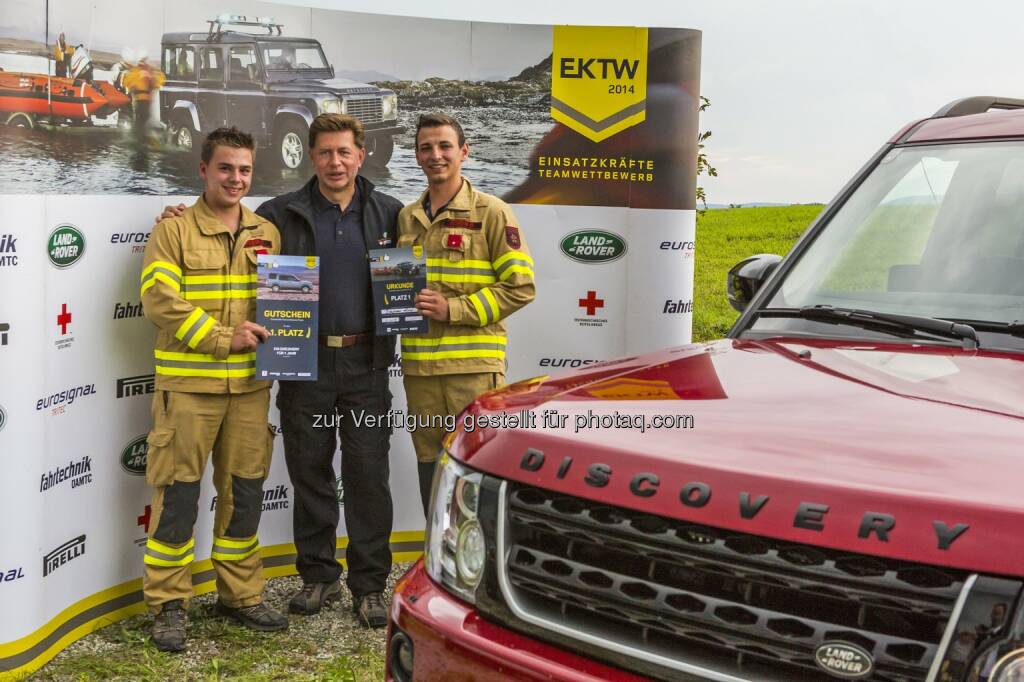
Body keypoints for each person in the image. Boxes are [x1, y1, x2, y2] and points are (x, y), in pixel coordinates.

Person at [158, 114, 401, 628]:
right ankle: (317, 575)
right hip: (301, 366)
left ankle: (369, 585)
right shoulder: (278, 215)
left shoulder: (391, 213)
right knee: (309, 471)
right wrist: (174, 214)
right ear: (310, 156)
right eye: (325, 153)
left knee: (367, 476)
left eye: (345, 152)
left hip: (366, 366)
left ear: (361, 155)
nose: (335, 162)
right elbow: (223, 222)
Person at [140, 127, 287, 652]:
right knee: (179, 497)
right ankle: (168, 604)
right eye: (226, 168)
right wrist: (225, 339)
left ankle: (240, 595)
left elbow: (286, 309)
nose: (236, 178)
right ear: (204, 169)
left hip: (250, 389)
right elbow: (159, 301)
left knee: (245, 494)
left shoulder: (268, 234)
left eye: (244, 169)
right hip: (189, 389)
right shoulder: (174, 231)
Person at [398, 113, 536, 513]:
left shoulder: (492, 212)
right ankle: (441, 565)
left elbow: (521, 286)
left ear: (464, 152)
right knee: (431, 469)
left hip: (472, 372)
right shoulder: (407, 217)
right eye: (426, 147)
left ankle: (483, 570)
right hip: (420, 372)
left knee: (478, 468)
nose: (435, 155)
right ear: (417, 155)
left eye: (444, 146)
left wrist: (452, 308)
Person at [122, 57, 165, 142]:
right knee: (143, 118)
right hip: (145, 100)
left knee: (140, 118)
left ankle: (137, 136)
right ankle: (139, 137)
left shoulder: (136, 71)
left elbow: (126, 82)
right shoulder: (149, 71)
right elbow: (159, 81)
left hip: (140, 100)